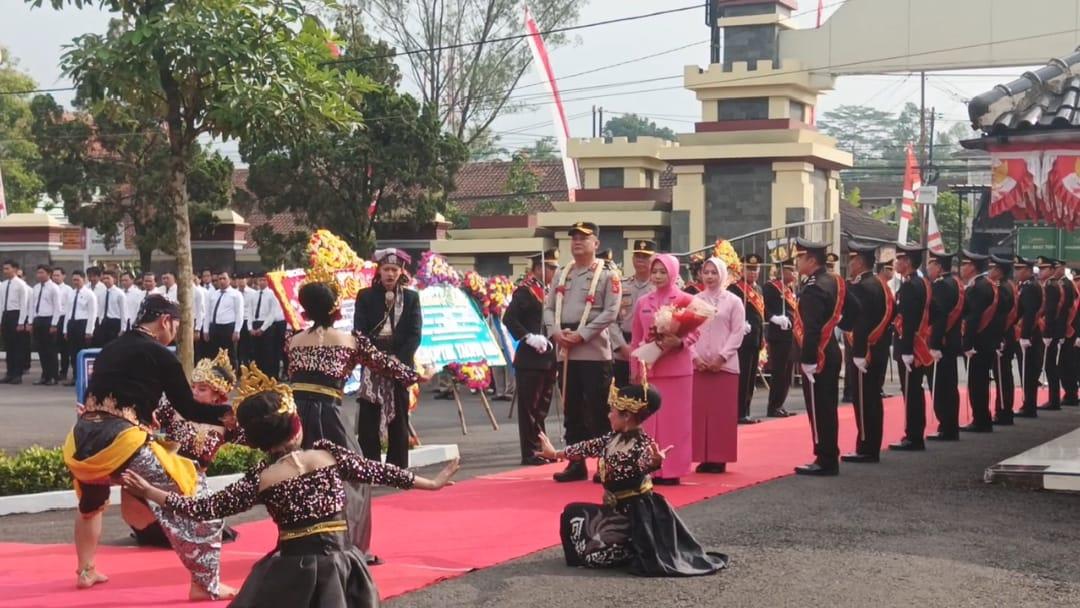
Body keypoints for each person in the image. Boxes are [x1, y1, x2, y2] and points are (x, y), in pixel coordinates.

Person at [122, 364, 458, 608]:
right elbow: (378, 471)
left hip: (290, 570)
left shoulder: (262, 478)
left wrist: (152, 492)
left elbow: (202, 508)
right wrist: (431, 483)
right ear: (297, 429)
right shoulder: (328, 455)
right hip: (343, 564)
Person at [61, 295, 236, 599]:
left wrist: (144, 412)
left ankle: (85, 570)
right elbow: (189, 409)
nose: (177, 331)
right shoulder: (161, 354)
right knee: (193, 488)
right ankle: (205, 584)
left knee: (90, 502)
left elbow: (113, 392)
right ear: (166, 321)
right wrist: (229, 416)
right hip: (120, 442)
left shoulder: (110, 348)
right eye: (178, 324)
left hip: (81, 441)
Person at [290, 279, 422, 560]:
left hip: (295, 417)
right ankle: (353, 547)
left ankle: (302, 542)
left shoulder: (292, 340)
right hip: (328, 415)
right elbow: (386, 366)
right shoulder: (350, 341)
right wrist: (416, 375)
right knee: (354, 474)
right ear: (335, 308)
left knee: (299, 476)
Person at [538, 382, 727, 576]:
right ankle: (619, 544)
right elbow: (587, 447)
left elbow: (646, 462)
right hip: (616, 508)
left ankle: (629, 547)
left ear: (627, 416)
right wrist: (555, 454)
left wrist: (655, 462)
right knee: (572, 513)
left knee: (600, 553)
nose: (609, 415)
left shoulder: (643, 445)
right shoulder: (612, 438)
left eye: (613, 411)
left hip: (638, 515)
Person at [128, 348, 242, 548]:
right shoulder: (174, 407)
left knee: (201, 534)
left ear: (218, 395)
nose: (195, 393)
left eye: (202, 389)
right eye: (193, 387)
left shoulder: (228, 420)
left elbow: (256, 437)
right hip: (167, 477)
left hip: (195, 487)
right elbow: (143, 418)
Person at [543, 222, 621, 483]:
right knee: (571, 408)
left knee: (599, 409)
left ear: (595, 244)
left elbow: (611, 311)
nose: (577, 242)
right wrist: (555, 331)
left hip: (593, 350)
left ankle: (604, 462)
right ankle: (575, 462)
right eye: (574, 238)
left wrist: (583, 334)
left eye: (583, 239)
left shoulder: (608, 274)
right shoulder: (562, 273)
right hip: (566, 349)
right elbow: (549, 306)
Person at [629, 254, 694, 485]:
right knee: (648, 423)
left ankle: (673, 469)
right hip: (649, 370)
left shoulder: (685, 300)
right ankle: (649, 467)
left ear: (673, 273)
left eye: (662, 272)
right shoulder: (643, 302)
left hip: (677, 371)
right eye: (654, 271)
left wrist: (680, 342)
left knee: (675, 422)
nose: (657, 276)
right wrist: (635, 367)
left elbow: (695, 332)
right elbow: (636, 337)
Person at [354, 249, 422, 469]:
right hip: (372, 362)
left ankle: (398, 466)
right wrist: (374, 358)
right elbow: (359, 332)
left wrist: (398, 361)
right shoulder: (365, 296)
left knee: (399, 417)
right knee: (368, 417)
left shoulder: (411, 298)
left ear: (401, 271)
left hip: (399, 363)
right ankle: (370, 465)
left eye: (394, 269)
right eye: (386, 269)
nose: (390, 274)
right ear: (379, 271)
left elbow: (415, 334)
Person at [793, 239, 851, 476]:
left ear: (811, 260)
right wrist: (840, 323)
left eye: (800, 257)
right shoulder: (835, 281)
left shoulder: (815, 287)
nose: (797, 262)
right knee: (828, 406)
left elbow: (812, 328)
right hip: (832, 350)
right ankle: (828, 455)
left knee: (819, 408)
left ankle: (824, 458)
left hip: (819, 354)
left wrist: (807, 360)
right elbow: (853, 309)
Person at [502, 249, 559, 466]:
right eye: (550, 267)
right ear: (538, 269)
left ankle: (542, 446)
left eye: (555, 268)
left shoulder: (550, 291)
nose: (553, 272)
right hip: (530, 358)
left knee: (542, 408)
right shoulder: (525, 291)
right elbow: (509, 319)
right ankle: (530, 451)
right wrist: (527, 337)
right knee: (529, 408)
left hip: (548, 357)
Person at [690, 257, 744, 473]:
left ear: (722, 274)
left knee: (722, 414)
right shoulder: (695, 300)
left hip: (725, 366)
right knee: (700, 413)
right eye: (706, 272)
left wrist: (722, 357)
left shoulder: (733, 301)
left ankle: (719, 457)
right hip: (699, 365)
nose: (710, 276)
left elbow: (738, 332)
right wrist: (695, 357)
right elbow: (688, 331)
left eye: (714, 272)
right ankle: (703, 455)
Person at [844, 242, 891, 463]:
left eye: (852, 260)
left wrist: (860, 351)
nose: (849, 264)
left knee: (864, 400)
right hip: (878, 349)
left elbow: (861, 322)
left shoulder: (864, 287)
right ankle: (871, 445)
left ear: (860, 262)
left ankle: (866, 447)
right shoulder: (879, 284)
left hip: (866, 351)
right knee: (872, 399)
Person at [890, 243, 934, 452]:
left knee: (911, 392)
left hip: (911, 346)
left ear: (907, 262)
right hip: (916, 343)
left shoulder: (910, 286)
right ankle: (915, 433)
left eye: (899, 259)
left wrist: (906, 350)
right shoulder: (920, 282)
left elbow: (908, 320)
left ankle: (913, 436)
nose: (896, 263)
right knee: (914, 390)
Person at [959, 250, 999, 431]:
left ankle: (981, 419)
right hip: (988, 340)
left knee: (977, 382)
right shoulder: (987, 285)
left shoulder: (978, 288)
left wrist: (967, 343)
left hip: (978, 342)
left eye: (964, 264)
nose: (961, 268)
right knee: (981, 380)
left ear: (972, 267)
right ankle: (983, 418)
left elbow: (973, 318)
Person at [926, 251, 964, 440]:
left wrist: (934, 344)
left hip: (942, 342)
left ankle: (947, 425)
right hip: (952, 340)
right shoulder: (955, 283)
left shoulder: (941, 286)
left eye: (931, 265)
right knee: (950, 384)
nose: (928, 269)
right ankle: (950, 425)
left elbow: (940, 317)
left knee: (942, 386)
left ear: (939, 267)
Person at [611, 240, 655, 388]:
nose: (640, 260)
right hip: (623, 347)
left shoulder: (658, 287)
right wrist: (621, 346)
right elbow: (611, 318)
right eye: (637, 256)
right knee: (623, 396)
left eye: (645, 256)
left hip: (650, 346)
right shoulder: (622, 285)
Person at [729, 253, 765, 424]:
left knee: (751, 378)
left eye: (755, 269)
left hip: (755, 339)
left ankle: (746, 410)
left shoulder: (758, 289)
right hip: (742, 340)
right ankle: (739, 412)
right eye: (749, 269)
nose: (753, 273)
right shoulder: (735, 289)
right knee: (742, 378)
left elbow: (760, 317)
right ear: (741, 270)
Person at [763, 255, 798, 417]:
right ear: (783, 271)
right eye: (791, 270)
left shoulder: (790, 289)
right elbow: (765, 308)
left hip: (789, 335)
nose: (794, 274)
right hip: (778, 335)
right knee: (779, 372)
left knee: (787, 372)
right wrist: (774, 318)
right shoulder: (771, 287)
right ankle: (773, 406)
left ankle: (780, 404)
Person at [1014, 256, 1043, 418]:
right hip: (1031, 332)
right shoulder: (1028, 285)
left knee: (1028, 371)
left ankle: (1029, 406)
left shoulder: (1030, 287)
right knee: (1026, 371)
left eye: (1019, 269)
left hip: (1030, 333)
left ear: (1028, 271)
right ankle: (1028, 404)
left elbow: (1030, 312)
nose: (1016, 272)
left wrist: (1025, 335)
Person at [989, 255, 1017, 425]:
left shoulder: (1002, 288)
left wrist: (998, 337)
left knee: (1002, 375)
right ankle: (1004, 409)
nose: (990, 271)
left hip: (1003, 336)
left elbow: (1000, 316)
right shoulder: (1009, 286)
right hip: (1007, 335)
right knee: (1004, 374)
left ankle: (1004, 411)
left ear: (999, 271)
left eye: (992, 268)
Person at [202, 269, 244, 371]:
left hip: (228, 327)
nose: (221, 281)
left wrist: (237, 330)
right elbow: (208, 313)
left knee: (229, 354)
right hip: (215, 327)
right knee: (214, 354)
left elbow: (239, 314)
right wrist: (206, 330)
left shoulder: (236, 294)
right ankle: (217, 375)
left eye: (224, 278)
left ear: (229, 280)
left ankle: (232, 376)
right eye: (219, 279)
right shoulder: (213, 294)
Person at [27, 264, 62, 386]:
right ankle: (45, 375)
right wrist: (30, 322)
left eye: (42, 272)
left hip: (49, 320)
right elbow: (31, 306)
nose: (39, 275)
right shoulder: (35, 288)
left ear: (49, 274)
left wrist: (54, 324)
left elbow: (58, 308)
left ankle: (53, 376)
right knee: (41, 350)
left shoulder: (54, 288)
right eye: (38, 273)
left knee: (50, 350)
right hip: (38, 320)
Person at [63, 270, 97, 387]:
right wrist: (65, 329)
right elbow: (67, 312)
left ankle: (84, 378)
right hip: (72, 323)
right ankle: (75, 376)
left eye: (78, 279)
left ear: (84, 279)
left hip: (83, 324)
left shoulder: (89, 294)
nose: (75, 282)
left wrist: (89, 331)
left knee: (82, 351)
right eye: (74, 280)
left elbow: (92, 313)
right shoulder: (71, 293)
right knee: (73, 352)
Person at [0, 260, 32, 384]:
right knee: (9, 346)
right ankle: (9, 372)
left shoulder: (21, 285)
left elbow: (23, 305)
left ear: (15, 269)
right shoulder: (3, 285)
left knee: (17, 347)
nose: (5, 271)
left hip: (17, 314)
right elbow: (1, 304)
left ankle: (17, 374)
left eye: (8, 268)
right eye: (4, 269)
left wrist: (21, 322)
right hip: (6, 315)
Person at [250, 272, 285, 379]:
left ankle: (269, 377)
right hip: (256, 323)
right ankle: (258, 376)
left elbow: (272, 313)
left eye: (264, 280)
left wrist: (263, 328)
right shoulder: (254, 295)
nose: (262, 282)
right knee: (257, 353)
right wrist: (250, 327)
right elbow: (250, 312)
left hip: (268, 326)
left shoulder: (272, 294)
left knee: (269, 353)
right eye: (260, 280)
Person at [1055, 261, 1078, 406]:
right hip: (1069, 330)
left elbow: (1074, 311)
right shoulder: (1067, 284)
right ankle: (1071, 393)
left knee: (1068, 363)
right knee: (1066, 363)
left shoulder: (1067, 285)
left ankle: (1071, 394)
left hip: (1070, 330)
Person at [53, 267, 74, 382]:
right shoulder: (50, 288)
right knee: (51, 347)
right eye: (54, 275)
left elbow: (69, 308)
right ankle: (52, 371)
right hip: (51, 318)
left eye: (58, 275)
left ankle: (64, 371)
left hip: (63, 318)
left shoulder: (67, 290)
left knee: (63, 348)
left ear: (63, 276)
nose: (55, 277)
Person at [93, 270, 125, 347]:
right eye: (104, 279)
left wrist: (122, 328)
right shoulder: (101, 293)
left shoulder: (120, 294)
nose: (105, 281)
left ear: (114, 279)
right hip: (103, 323)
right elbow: (99, 310)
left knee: (113, 346)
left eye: (108, 278)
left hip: (114, 322)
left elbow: (123, 312)